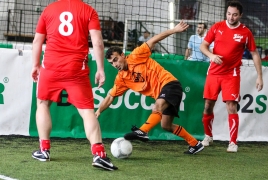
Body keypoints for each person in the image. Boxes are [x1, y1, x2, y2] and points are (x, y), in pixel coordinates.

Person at [31, 0, 117, 170]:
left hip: (50, 67)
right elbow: (98, 42)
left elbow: (37, 41)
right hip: (76, 68)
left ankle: (44, 150)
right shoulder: (88, 10)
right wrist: (100, 69)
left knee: (42, 103)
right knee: (87, 112)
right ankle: (99, 155)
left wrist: (35, 65)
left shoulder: (49, 10)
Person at [95, 21, 204, 155]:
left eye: (116, 60)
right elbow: (110, 96)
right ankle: (195, 143)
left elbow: (154, 39)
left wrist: (174, 30)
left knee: (157, 106)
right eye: (111, 63)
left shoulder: (136, 55)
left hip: (170, 84)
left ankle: (143, 131)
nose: (115, 64)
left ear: (122, 55)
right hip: (162, 94)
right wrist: (99, 111)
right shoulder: (121, 79)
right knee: (166, 125)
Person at [199, 1, 263, 152]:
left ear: (240, 15)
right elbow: (203, 46)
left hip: (231, 74)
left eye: (234, 14)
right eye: (229, 13)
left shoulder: (245, 32)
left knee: (231, 106)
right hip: (214, 72)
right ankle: (208, 136)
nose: (231, 17)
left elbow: (254, 54)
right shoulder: (217, 27)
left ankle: (233, 142)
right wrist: (211, 55)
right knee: (208, 105)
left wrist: (260, 76)